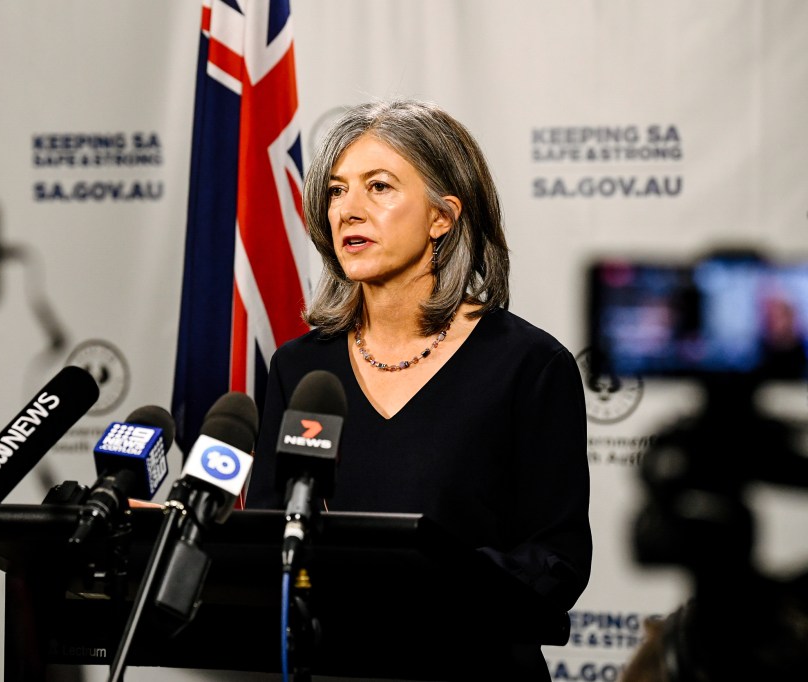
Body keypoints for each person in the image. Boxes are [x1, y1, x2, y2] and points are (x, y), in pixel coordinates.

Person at [245, 98, 592, 680]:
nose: (348, 210)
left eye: (379, 187)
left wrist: (419, 579)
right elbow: (270, 532)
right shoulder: (298, 368)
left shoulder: (530, 365)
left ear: (442, 217)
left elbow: (555, 560)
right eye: (336, 191)